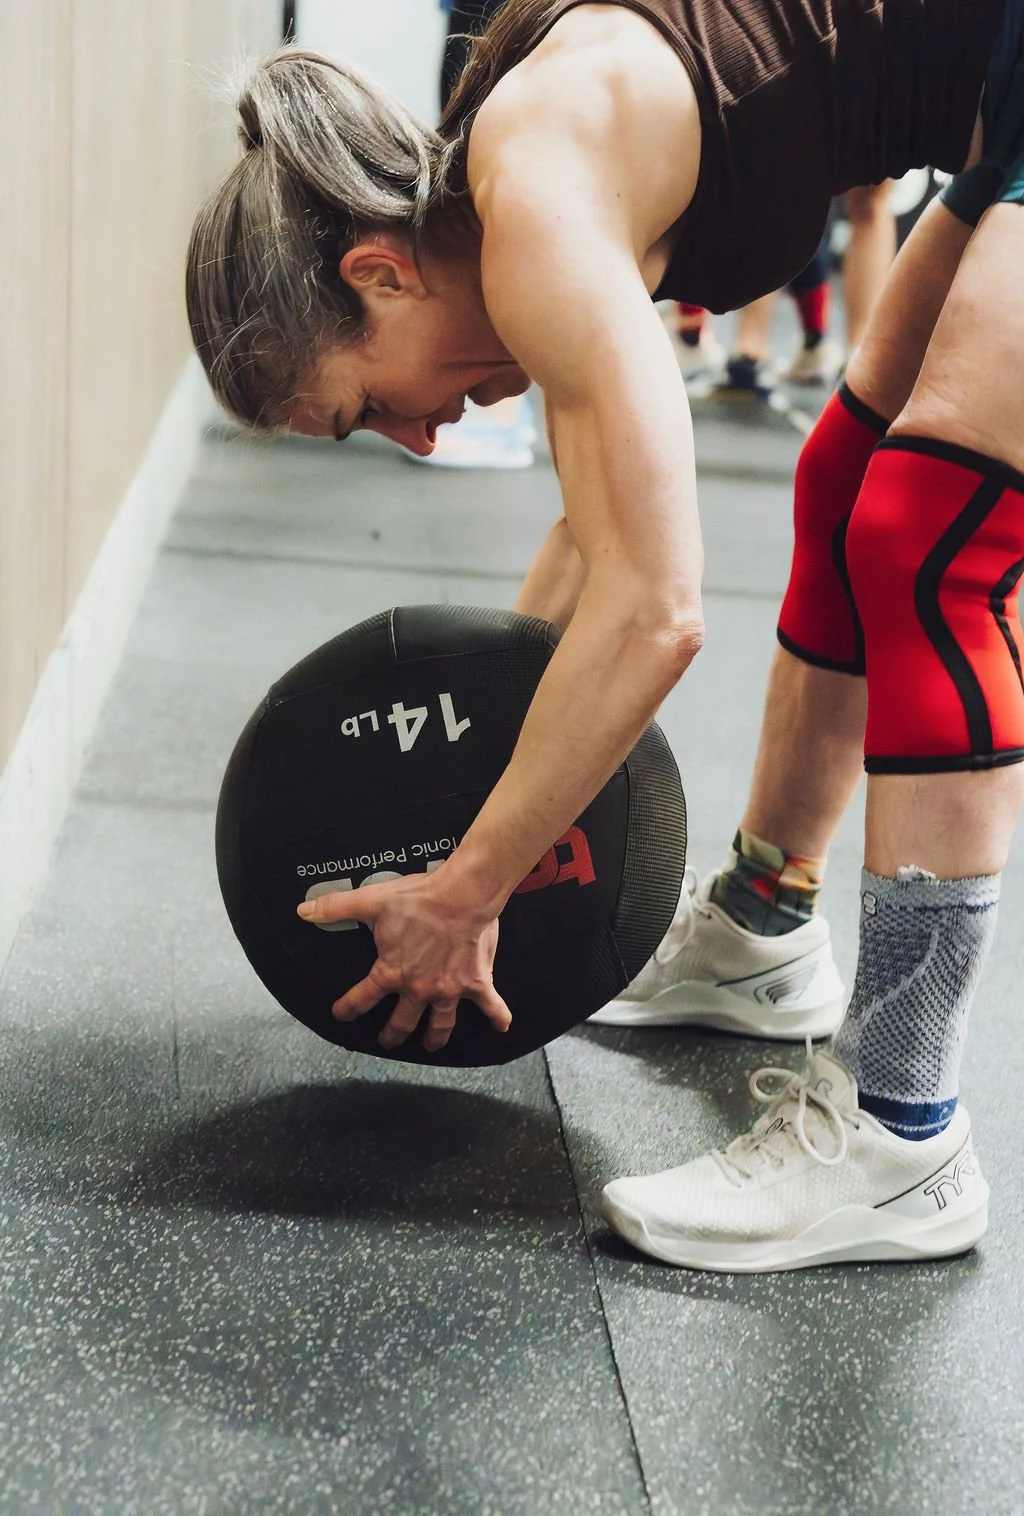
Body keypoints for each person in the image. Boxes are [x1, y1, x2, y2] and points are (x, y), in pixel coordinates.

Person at [186, 0, 1024, 1270]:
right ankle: (761, 923)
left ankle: (904, 1133)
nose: (416, 439)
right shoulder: (518, 176)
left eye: (365, 409)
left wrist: (467, 893)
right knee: (850, 481)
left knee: (928, 540)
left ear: (378, 272)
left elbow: (654, 611)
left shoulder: (536, 195)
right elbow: (596, 537)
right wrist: (471, 798)